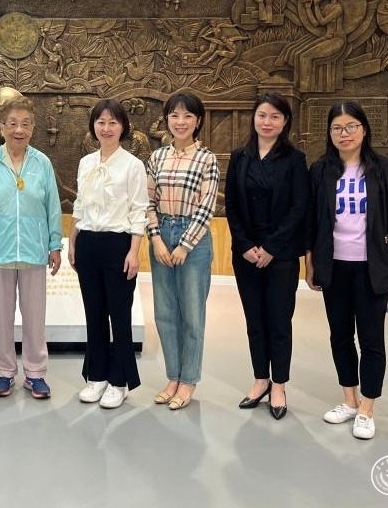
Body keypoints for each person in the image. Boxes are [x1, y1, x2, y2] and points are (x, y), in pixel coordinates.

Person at [306, 101, 388, 440]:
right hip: (334, 266)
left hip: (372, 268)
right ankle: (349, 400)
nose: (344, 133)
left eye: (351, 126)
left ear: (364, 129)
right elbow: (312, 222)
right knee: (339, 336)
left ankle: (367, 407)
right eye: (337, 128)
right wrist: (310, 263)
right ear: (330, 133)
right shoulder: (320, 170)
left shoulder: (384, 169)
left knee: (371, 339)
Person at [0, 95, 63, 399]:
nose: (19, 130)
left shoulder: (42, 163)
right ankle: (5, 372)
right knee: (1, 316)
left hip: (34, 250)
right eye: (13, 123)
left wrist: (55, 244)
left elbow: (53, 206)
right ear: (2, 126)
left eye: (26, 124)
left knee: (35, 317)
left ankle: (35, 373)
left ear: (33, 128)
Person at [225, 93, 308, 421]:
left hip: (281, 255)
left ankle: (279, 385)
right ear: (254, 118)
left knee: (279, 321)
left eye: (275, 116)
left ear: (285, 121)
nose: (267, 122)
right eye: (262, 115)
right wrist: (245, 245)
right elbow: (231, 205)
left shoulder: (295, 159)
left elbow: (298, 207)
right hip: (245, 255)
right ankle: (261, 379)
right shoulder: (240, 156)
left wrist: (271, 248)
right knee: (255, 321)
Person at [69, 99, 149, 409]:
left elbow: (139, 211)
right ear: (93, 126)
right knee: (94, 314)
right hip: (88, 243)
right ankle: (97, 376)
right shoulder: (86, 162)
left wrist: (134, 252)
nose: (106, 128)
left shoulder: (132, 165)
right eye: (101, 122)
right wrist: (72, 241)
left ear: (123, 127)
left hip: (119, 245)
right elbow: (80, 204)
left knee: (120, 315)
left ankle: (119, 381)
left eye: (113, 122)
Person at [146, 90, 219, 410]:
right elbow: (147, 201)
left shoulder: (207, 158)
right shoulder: (157, 157)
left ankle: (188, 381)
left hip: (194, 239)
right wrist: (156, 238)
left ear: (197, 121)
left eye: (188, 115)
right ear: (167, 119)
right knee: (164, 313)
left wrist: (185, 245)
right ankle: (173, 377)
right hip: (162, 233)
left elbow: (207, 207)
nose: (180, 121)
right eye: (174, 115)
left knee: (191, 314)